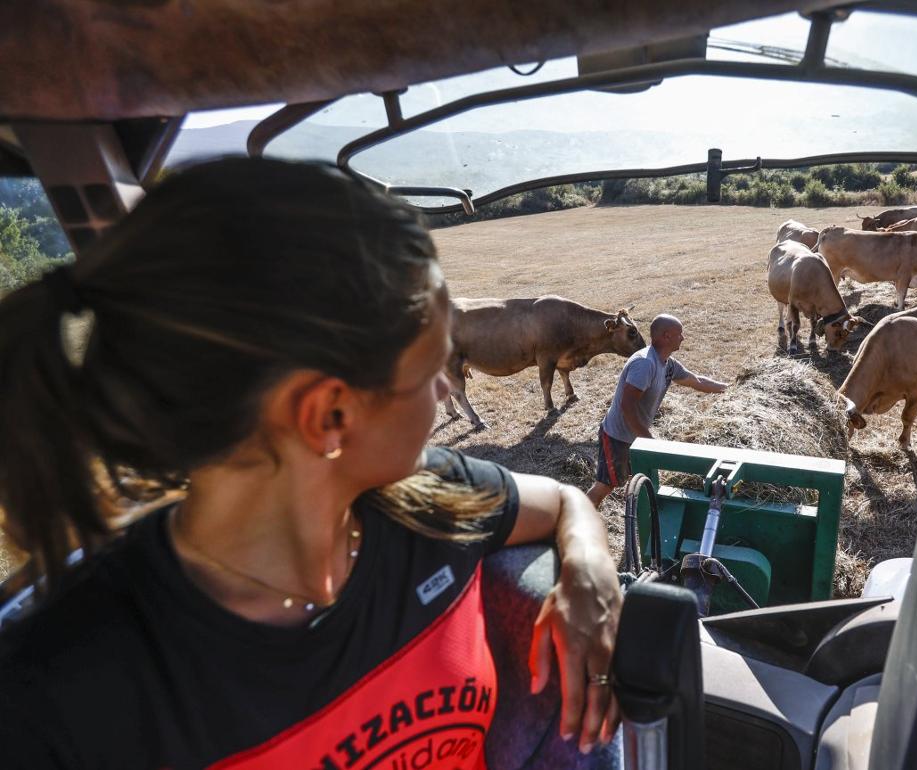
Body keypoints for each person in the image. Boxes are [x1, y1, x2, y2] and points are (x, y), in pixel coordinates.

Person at [0, 158, 622, 769]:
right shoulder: (66, 696)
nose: (442, 392)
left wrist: (592, 568)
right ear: (328, 416)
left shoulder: (434, 497)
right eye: (430, 367)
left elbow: (565, 503)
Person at [587, 314, 728, 507]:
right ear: (666, 336)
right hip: (617, 437)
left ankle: (636, 515)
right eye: (680, 334)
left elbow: (697, 381)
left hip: (635, 436)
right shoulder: (645, 364)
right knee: (605, 486)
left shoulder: (667, 364)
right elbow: (627, 407)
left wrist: (730, 388)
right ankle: (577, 520)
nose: (683, 338)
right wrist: (647, 441)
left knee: (637, 481)